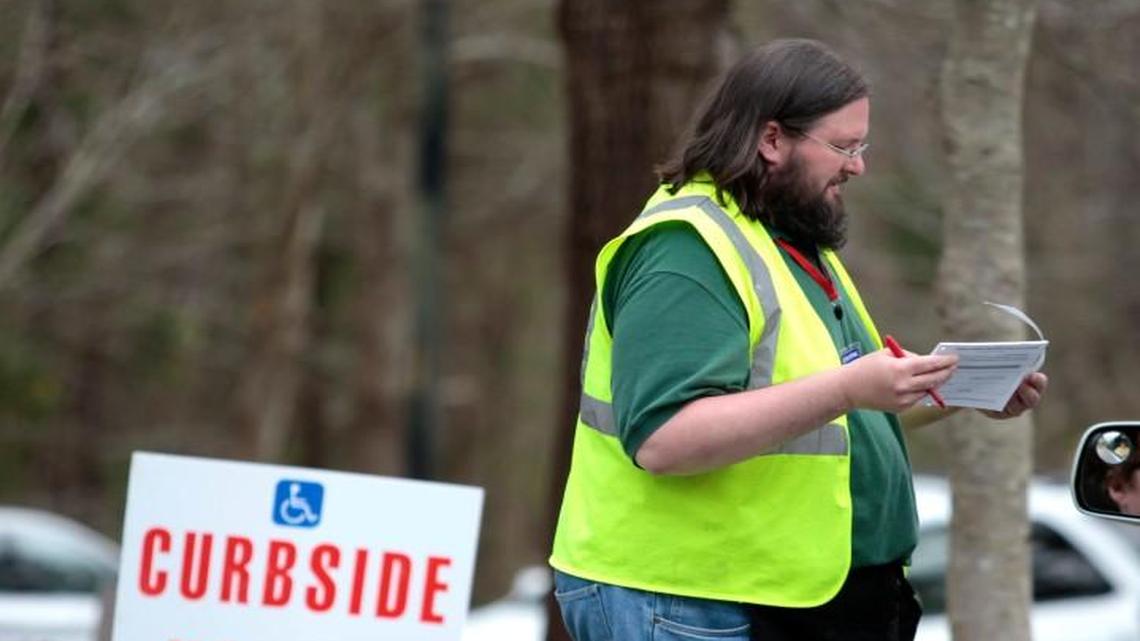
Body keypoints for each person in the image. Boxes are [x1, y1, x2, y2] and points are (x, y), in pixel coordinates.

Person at [548, 38, 1048, 641]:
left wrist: (955, 390)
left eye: (861, 146)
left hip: (794, 598)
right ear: (772, 140)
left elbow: (830, 412)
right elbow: (665, 439)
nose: (858, 165)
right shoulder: (686, 251)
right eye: (842, 146)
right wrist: (848, 388)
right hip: (692, 600)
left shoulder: (789, 240)